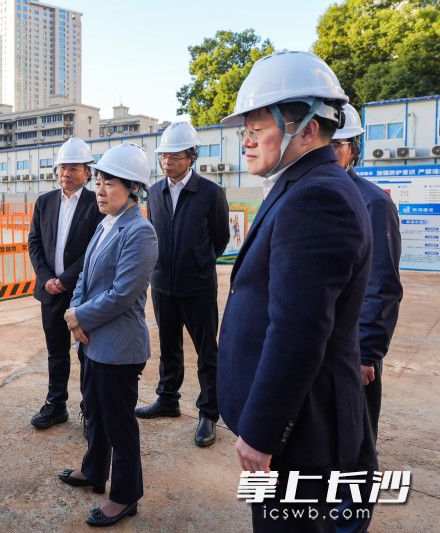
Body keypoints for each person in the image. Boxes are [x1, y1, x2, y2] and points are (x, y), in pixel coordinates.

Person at [215, 51, 373, 531]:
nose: (246, 141)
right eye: (245, 130)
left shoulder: (316, 198)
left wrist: (262, 433)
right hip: (295, 421)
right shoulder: (301, 186)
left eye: (257, 128)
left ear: (307, 127)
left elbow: (298, 332)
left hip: (300, 431)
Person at [57, 142, 158, 527]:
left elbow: (121, 294)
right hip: (92, 339)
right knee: (93, 412)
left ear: (132, 188)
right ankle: (93, 470)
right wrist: (76, 316)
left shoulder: (140, 232)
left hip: (119, 346)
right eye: (98, 182)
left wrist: (78, 315)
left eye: (109, 183)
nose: (99, 190)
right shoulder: (105, 223)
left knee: (119, 424)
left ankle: (125, 494)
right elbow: (84, 275)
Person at [136, 121, 229, 448]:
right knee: (169, 345)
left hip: (198, 286)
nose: (167, 163)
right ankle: (168, 398)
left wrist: (198, 264)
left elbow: (220, 239)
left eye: (175, 157)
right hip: (162, 285)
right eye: (164, 157)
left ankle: (208, 412)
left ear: (191, 157)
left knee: (207, 350)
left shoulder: (210, 193)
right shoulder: (155, 193)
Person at [332, 103, 403, 532]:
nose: (330, 152)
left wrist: (368, 353)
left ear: (354, 150)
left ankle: (350, 524)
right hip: (319, 348)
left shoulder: (372, 203)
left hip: (353, 352)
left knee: (356, 446)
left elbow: (383, 287)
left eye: (339, 146)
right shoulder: (306, 197)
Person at [27, 138, 103, 430]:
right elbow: (34, 243)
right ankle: (56, 404)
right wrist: (46, 279)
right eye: (62, 167)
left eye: (73, 168)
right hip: (50, 292)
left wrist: (66, 279)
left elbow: (95, 248)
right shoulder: (44, 202)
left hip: (82, 292)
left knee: (87, 353)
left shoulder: (96, 203)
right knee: (56, 351)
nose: (66, 173)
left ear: (87, 172)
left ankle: (89, 408)